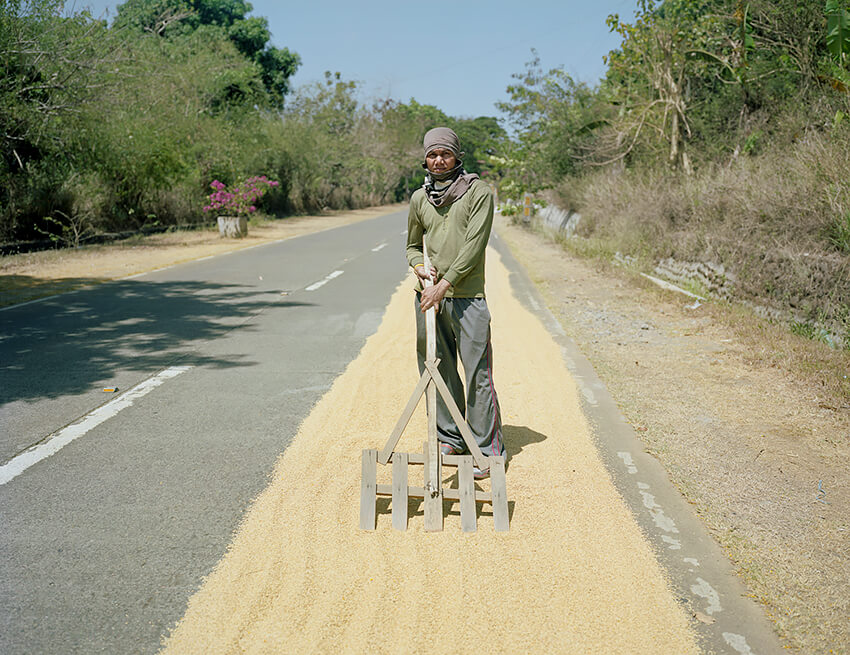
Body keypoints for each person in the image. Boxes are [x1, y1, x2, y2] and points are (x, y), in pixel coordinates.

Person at [405, 127, 504, 479]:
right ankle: (450, 437)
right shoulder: (420, 198)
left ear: (457, 156)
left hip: (467, 296)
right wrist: (420, 268)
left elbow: (474, 246)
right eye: (433, 154)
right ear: (426, 159)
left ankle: (487, 447)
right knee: (437, 367)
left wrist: (444, 285)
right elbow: (412, 246)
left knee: (478, 372)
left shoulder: (478, 192)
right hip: (430, 297)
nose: (439, 160)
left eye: (445, 153)